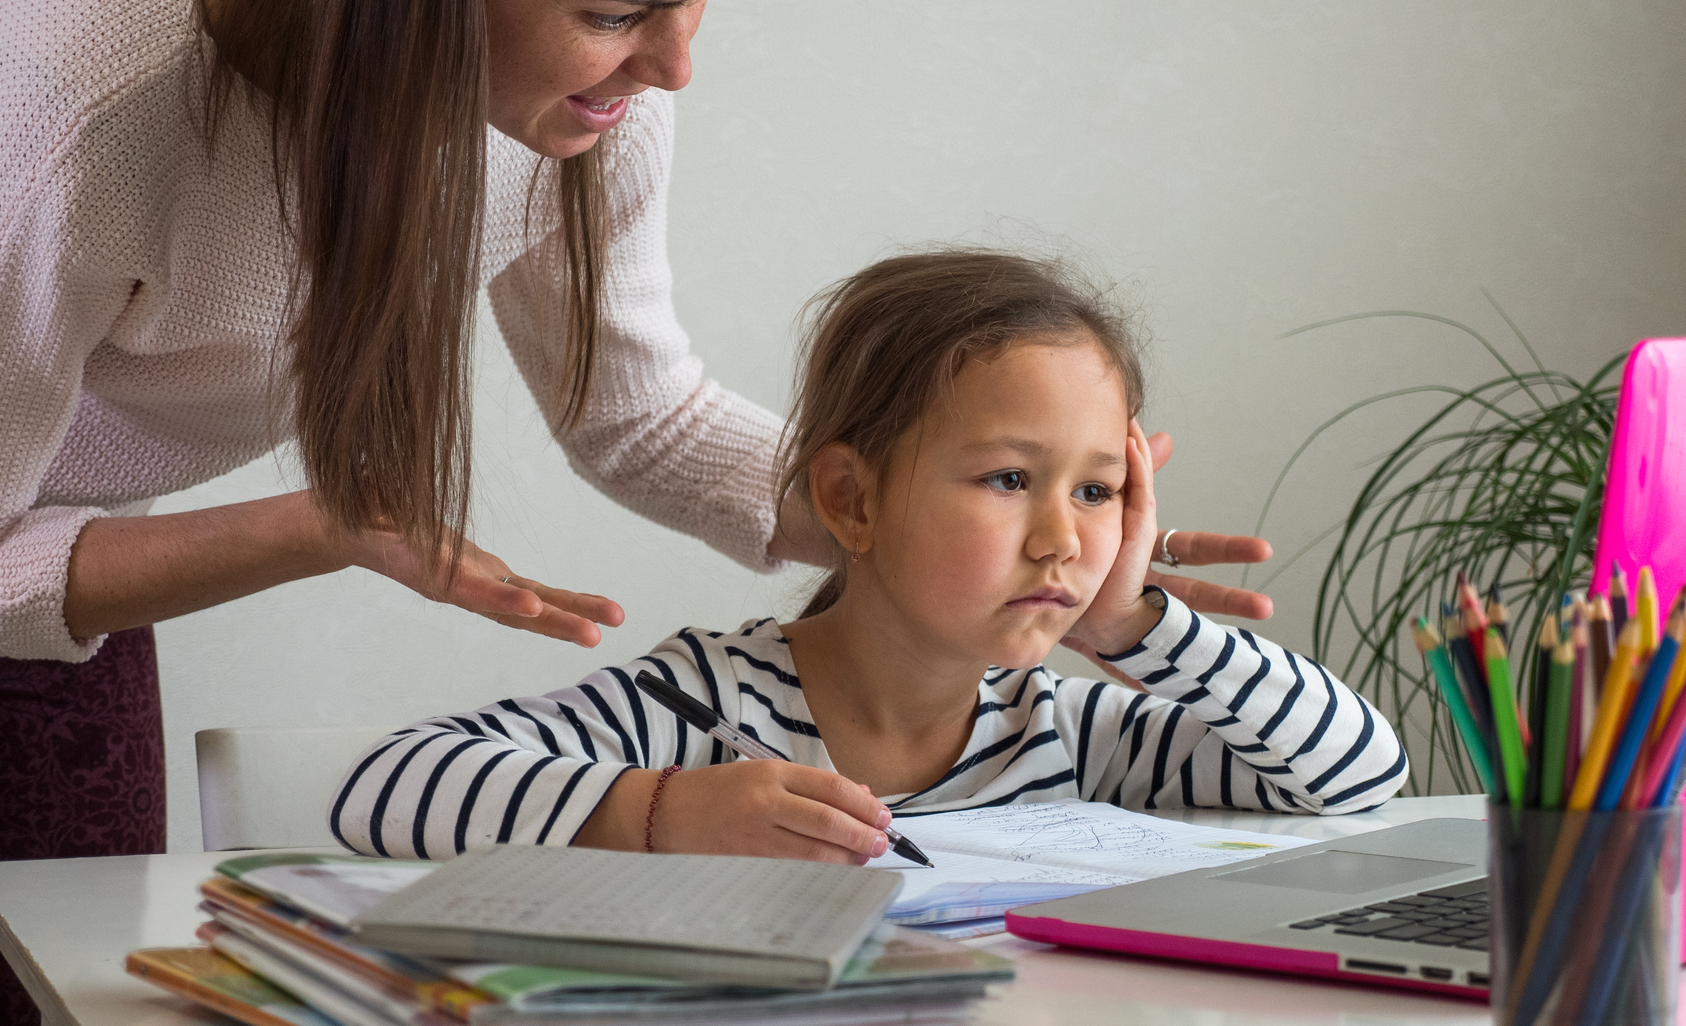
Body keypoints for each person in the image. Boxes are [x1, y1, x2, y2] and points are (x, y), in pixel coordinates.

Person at [0, 0, 1268, 1026]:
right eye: (616, 13)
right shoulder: (67, 102)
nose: (673, 70)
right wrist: (323, 526)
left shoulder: (591, 101)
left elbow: (643, 416)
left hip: (59, 568)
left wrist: (945, 515)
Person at [332, 250, 1407, 861]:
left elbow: (1361, 776)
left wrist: (1132, 625)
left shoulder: (1067, 732)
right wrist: (659, 813)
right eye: (1006, 479)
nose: (1062, 536)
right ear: (850, 498)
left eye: (1096, 490)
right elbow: (384, 786)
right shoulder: (711, 705)